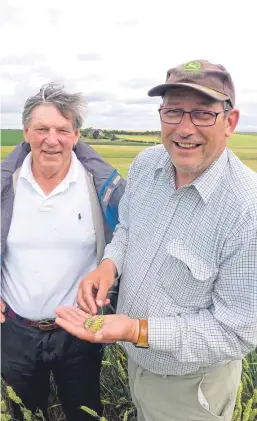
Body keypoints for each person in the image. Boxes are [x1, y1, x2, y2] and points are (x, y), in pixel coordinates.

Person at [55, 60, 257, 421]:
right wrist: (108, 265)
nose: (184, 128)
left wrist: (136, 329)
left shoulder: (247, 211)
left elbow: (237, 332)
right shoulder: (148, 165)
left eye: (202, 114)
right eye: (173, 111)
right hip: (139, 363)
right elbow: (129, 229)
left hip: (191, 388)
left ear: (231, 122)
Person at [0, 82, 126, 421]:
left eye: (62, 130)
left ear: (76, 134)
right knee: (23, 412)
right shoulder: (4, 185)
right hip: (15, 331)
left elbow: (128, 240)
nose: (51, 139)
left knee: (84, 411)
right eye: (41, 129)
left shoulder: (103, 189)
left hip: (81, 332)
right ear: (26, 132)